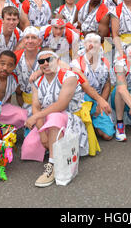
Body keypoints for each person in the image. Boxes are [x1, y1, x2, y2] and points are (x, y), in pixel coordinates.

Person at [24, 50, 89, 187]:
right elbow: (36, 106)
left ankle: (52, 165)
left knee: (54, 117)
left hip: (68, 118)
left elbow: (61, 105)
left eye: (49, 60)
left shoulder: (69, 76)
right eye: (41, 61)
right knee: (28, 149)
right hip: (45, 118)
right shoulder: (37, 81)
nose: (46, 63)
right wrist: (41, 132)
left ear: (57, 60)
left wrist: (35, 117)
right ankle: (53, 146)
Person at [70, 33, 115, 140]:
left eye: (96, 42)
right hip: (81, 99)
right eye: (89, 42)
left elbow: (107, 85)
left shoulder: (105, 62)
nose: (92, 45)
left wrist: (101, 103)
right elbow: (85, 86)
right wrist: (100, 101)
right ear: (84, 44)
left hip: (98, 99)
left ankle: (94, 123)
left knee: (108, 135)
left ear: (100, 46)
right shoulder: (76, 63)